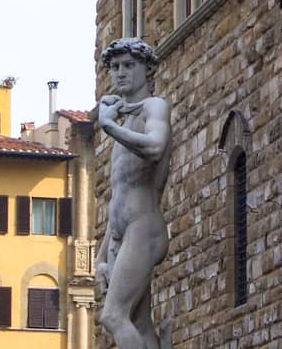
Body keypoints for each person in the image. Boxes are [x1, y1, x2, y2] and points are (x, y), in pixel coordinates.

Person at [96, 38, 173, 348]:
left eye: (129, 65)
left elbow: (155, 147)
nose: (121, 73)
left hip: (144, 226)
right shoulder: (125, 118)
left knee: (113, 316)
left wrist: (107, 125)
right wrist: (100, 257)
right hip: (121, 233)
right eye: (115, 67)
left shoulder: (154, 106)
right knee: (139, 324)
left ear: (147, 69)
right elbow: (118, 196)